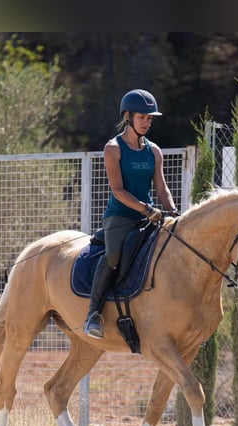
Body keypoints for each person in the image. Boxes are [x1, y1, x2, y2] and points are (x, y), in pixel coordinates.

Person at [83, 88, 179, 339]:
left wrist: (171, 210)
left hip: (149, 216)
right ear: (128, 117)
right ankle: (93, 314)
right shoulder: (112, 148)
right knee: (113, 255)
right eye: (142, 117)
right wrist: (147, 210)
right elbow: (117, 191)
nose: (147, 122)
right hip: (120, 217)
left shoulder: (154, 151)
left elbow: (161, 187)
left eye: (150, 118)